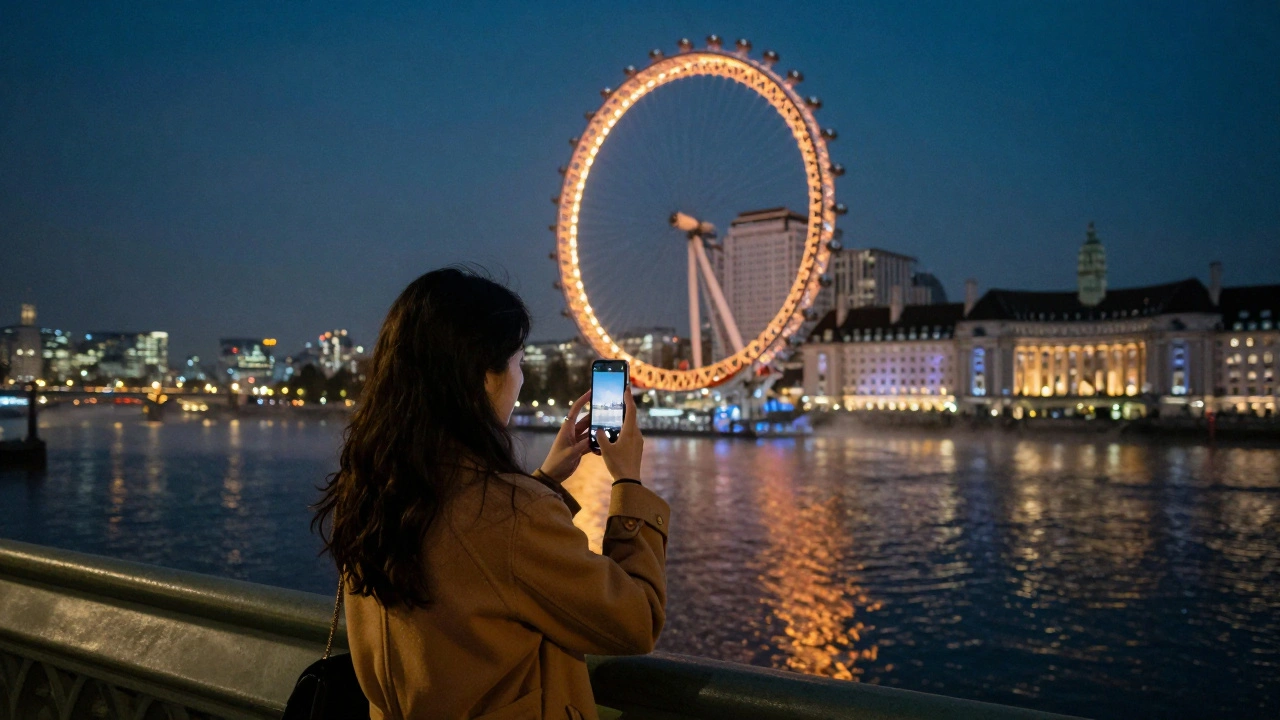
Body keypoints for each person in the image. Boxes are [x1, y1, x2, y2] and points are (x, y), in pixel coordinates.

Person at [313, 267, 670, 720]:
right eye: (518, 362)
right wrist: (628, 485)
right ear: (484, 376)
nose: (519, 380)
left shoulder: (369, 488)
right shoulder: (508, 513)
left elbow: (478, 573)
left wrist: (544, 480)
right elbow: (634, 622)